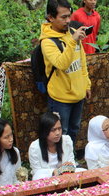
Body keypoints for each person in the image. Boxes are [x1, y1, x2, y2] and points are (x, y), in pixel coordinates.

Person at [41, 0, 92, 145]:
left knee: (74, 130)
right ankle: (60, 163)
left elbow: (81, 60)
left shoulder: (71, 32)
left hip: (78, 95)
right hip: (60, 99)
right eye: (63, 17)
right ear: (51, 18)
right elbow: (62, 64)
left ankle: (71, 160)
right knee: (60, 133)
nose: (68, 21)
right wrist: (72, 41)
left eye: (69, 16)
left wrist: (86, 84)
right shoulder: (47, 42)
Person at [29, 112, 79, 180]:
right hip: (46, 180)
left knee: (82, 171)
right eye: (53, 130)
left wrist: (69, 165)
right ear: (44, 131)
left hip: (66, 176)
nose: (58, 133)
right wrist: (54, 172)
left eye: (59, 128)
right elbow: (36, 172)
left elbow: (72, 163)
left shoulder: (66, 140)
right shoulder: (34, 147)